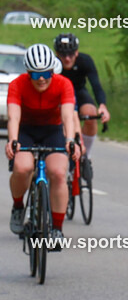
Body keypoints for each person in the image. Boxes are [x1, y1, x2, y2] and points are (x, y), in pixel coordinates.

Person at [5, 44, 79, 245]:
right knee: (22, 168)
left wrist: (71, 141)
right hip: (26, 130)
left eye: (46, 73)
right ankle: (19, 206)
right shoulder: (17, 85)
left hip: (52, 131)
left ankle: (57, 228)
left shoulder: (63, 84)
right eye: (36, 75)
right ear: (28, 73)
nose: (42, 79)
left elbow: (67, 116)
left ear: (52, 70)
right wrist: (13, 140)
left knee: (57, 173)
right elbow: (13, 116)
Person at [53, 33, 109, 168]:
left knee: (90, 113)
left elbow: (96, 85)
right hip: (59, 95)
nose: (67, 58)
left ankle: (86, 155)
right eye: (62, 54)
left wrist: (102, 105)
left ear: (76, 53)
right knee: (63, 120)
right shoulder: (53, 64)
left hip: (78, 91)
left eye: (70, 54)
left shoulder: (85, 61)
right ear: (56, 53)